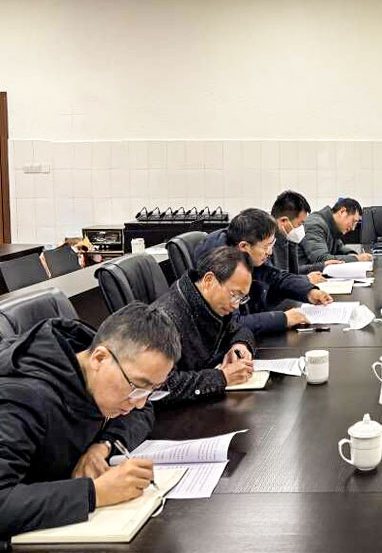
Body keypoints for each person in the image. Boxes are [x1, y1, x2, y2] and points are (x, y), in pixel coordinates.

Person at [0, 303, 180, 538]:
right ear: (99, 358)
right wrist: (95, 493)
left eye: (151, 390)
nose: (138, 402)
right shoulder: (21, 399)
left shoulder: (98, 365)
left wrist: (101, 446)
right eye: (136, 386)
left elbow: (142, 410)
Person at [195, 209, 333, 336]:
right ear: (244, 246)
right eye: (266, 247)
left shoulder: (242, 252)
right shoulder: (220, 267)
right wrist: (284, 319)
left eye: (272, 245)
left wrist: (309, 292)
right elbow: (231, 324)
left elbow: (275, 276)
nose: (270, 252)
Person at [152, 246, 258, 403]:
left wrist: (240, 345)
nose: (236, 305)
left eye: (241, 298)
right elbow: (161, 388)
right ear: (209, 280)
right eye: (234, 295)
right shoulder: (166, 319)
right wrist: (222, 378)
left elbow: (238, 328)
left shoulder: (210, 303)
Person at [270, 190, 342, 285]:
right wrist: (306, 279)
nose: (302, 228)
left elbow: (293, 272)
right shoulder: (267, 243)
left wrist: (322, 266)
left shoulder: (287, 239)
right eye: (300, 224)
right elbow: (277, 280)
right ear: (284, 221)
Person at [299, 198, 372, 265]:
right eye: (353, 221)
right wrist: (356, 259)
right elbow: (321, 259)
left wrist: (351, 254)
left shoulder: (332, 225)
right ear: (342, 212)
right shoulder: (315, 224)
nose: (353, 228)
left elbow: (339, 248)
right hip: (303, 274)